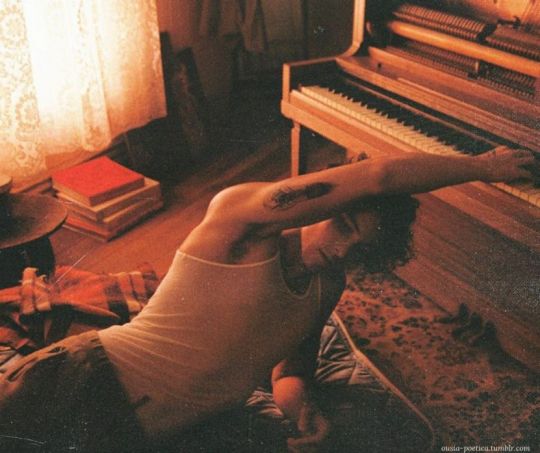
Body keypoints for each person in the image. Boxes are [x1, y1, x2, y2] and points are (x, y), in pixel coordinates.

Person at [0, 146, 534, 452]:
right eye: (343, 226)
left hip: (156, 434)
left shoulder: (327, 287)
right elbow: (378, 175)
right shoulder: (241, 224)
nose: (342, 251)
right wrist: (484, 166)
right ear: (321, 205)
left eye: (361, 249)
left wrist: (303, 411)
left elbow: (289, 369)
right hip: (82, 382)